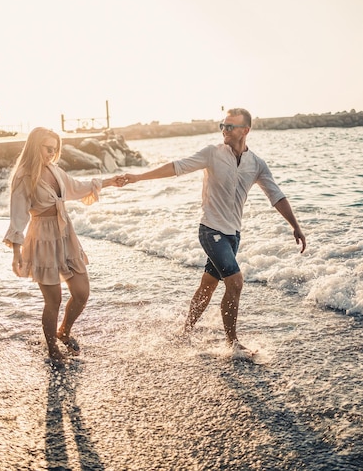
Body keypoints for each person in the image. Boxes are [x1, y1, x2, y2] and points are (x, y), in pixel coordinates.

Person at [123, 108, 306, 358]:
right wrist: (138, 177)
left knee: (208, 285)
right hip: (210, 230)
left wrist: (295, 226)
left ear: (245, 130)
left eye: (230, 126)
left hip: (233, 236)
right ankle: (232, 343)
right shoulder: (211, 154)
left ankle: (185, 331)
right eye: (223, 125)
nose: (224, 130)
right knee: (236, 282)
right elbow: (177, 167)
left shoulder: (256, 164)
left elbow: (276, 195)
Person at [3, 127, 124, 365]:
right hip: (42, 238)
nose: (52, 153)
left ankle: (64, 331)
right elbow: (18, 216)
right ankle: (52, 348)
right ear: (35, 146)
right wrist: (16, 253)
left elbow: (78, 187)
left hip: (66, 234)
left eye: (55, 149)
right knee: (53, 301)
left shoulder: (55, 170)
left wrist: (110, 181)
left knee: (81, 292)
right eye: (48, 148)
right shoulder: (24, 176)